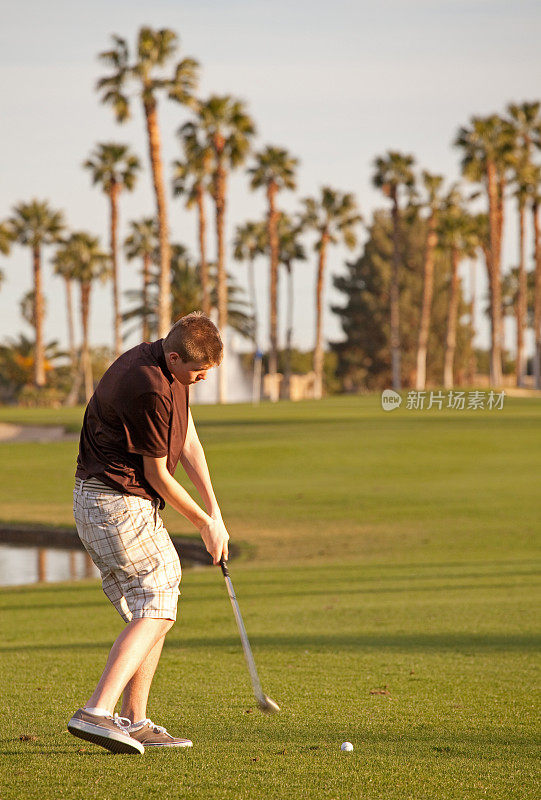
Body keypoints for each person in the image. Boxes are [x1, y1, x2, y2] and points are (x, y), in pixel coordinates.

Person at [67, 312, 230, 754]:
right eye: (197, 374)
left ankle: (134, 720)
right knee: (157, 601)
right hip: (111, 502)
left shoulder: (170, 371)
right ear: (174, 356)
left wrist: (214, 512)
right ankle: (96, 711)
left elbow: (189, 439)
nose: (199, 381)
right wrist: (201, 525)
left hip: (121, 501)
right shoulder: (148, 384)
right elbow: (157, 474)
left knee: (156, 600)